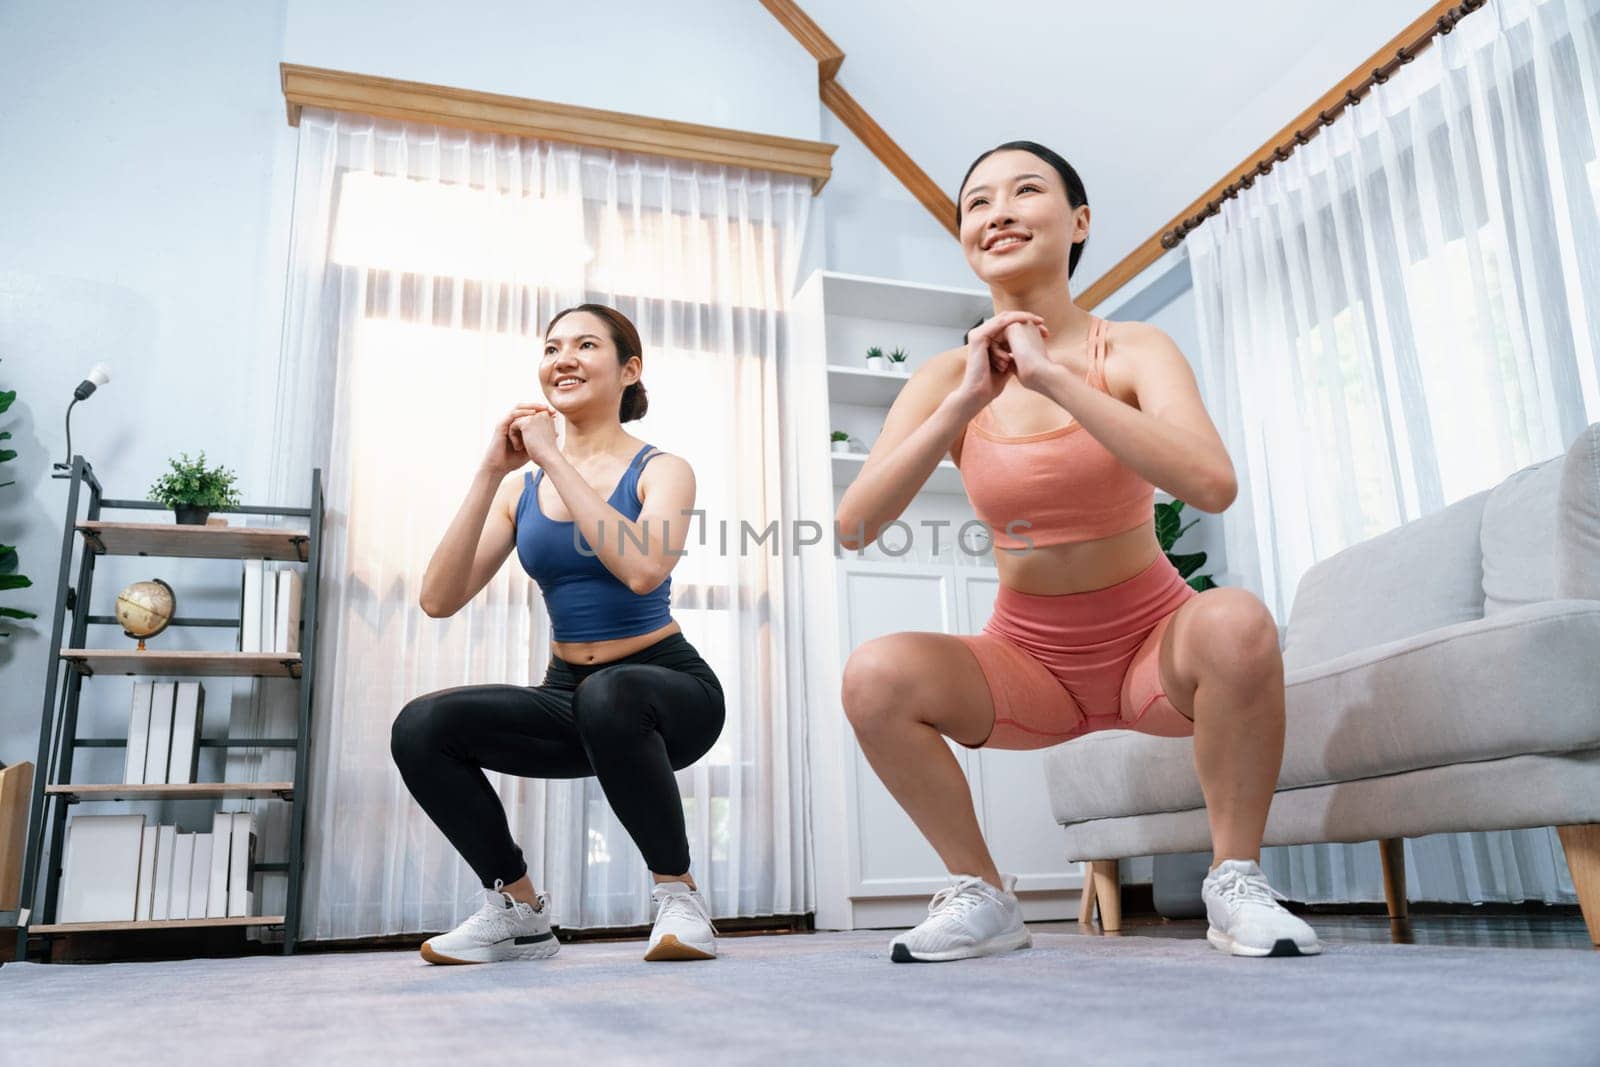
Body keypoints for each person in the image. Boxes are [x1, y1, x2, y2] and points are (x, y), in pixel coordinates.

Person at [836, 141, 1321, 962]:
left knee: (1237, 620)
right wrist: (962, 402)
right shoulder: (942, 380)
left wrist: (1056, 379)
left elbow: (1211, 482)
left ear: (1079, 221)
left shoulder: (1130, 349)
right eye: (977, 203)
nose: (998, 211)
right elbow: (855, 524)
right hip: (1030, 661)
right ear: (965, 238)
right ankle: (983, 893)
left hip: (1149, 645)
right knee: (873, 674)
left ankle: (1235, 880)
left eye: (1026, 190)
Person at [390, 303, 726, 965]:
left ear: (629, 370)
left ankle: (678, 895)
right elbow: (438, 597)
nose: (562, 358)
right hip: (571, 696)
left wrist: (550, 453)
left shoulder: (663, 469)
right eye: (551, 347)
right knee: (421, 727)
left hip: (669, 692)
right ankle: (519, 912)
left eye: (585, 345)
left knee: (611, 695)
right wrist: (492, 471)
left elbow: (641, 569)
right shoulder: (522, 488)